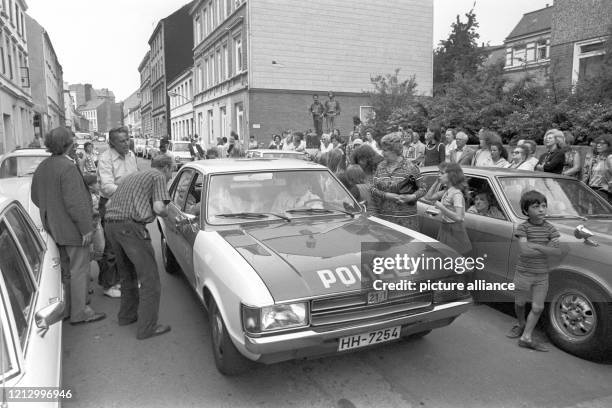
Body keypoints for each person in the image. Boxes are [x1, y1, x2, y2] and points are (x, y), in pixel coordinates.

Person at [31, 127, 106, 325]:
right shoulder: (68, 167)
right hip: (73, 230)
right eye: (72, 140)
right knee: (79, 270)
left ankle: (69, 310)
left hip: (54, 227)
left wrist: (52, 212)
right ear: (68, 144)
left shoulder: (43, 166)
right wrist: (86, 229)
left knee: (66, 271)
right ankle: (80, 313)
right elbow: (77, 204)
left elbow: (36, 197)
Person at [103, 155, 174, 340]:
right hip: (131, 229)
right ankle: (147, 328)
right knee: (150, 279)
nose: (171, 175)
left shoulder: (134, 176)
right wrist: (170, 214)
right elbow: (159, 208)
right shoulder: (157, 176)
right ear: (165, 168)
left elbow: (110, 202)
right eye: (172, 170)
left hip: (111, 225)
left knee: (128, 275)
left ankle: (127, 316)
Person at [507, 190, 561, 352]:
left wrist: (535, 246)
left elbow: (555, 252)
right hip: (524, 272)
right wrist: (544, 248)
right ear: (526, 210)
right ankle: (521, 323)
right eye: (536, 206)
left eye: (544, 206)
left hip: (541, 275)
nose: (541, 210)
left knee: (538, 307)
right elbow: (524, 251)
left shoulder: (551, 229)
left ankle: (526, 337)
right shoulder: (523, 227)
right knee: (520, 303)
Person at [97, 126, 139, 298]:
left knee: (130, 243)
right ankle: (109, 284)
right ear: (112, 143)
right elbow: (106, 187)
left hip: (130, 203)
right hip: (111, 204)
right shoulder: (105, 158)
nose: (126, 143)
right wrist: (129, 190)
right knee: (112, 246)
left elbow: (136, 177)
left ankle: (126, 279)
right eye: (121, 141)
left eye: (127, 139)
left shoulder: (131, 155)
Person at [371, 133, 426, 230]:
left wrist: (411, 197)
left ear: (395, 150)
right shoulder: (380, 166)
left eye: (385, 150)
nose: (382, 153)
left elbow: (423, 189)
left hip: (406, 224)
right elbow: (372, 188)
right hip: (385, 221)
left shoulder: (410, 167)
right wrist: (386, 195)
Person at [424, 162, 472, 255]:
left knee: (453, 258)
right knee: (446, 257)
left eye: (442, 173)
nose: (439, 175)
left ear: (451, 176)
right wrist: (436, 182)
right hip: (445, 227)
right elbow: (428, 197)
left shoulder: (456, 193)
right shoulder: (447, 190)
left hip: (454, 229)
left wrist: (440, 207)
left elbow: (459, 217)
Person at [582, 134, 612, 201]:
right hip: (592, 190)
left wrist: (608, 188)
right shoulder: (597, 158)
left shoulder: (610, 158)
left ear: (609, 145)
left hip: (603, 193)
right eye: (598, 143)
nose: (598, 145)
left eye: (602, 143)